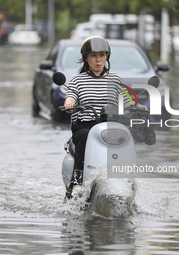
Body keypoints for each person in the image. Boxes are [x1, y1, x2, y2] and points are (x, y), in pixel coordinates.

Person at [63, 36, 147, 199]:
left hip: (110, 125)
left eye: (102, 55)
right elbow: (71, 96)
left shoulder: (115, 79)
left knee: (128, 135)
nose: (98, 59)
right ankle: (77, 182)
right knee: (85, 136)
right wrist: (69, 104)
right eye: (93, 55)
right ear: (86, 58)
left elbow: (126, 101)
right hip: (85, 125)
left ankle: (128, 181)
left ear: (107, 56)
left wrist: (138, 108)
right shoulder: (77, 80)